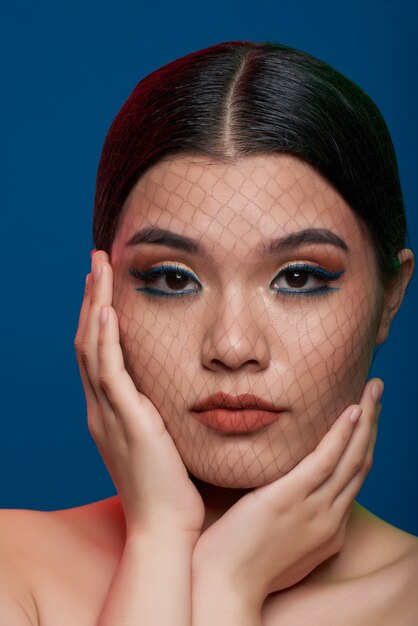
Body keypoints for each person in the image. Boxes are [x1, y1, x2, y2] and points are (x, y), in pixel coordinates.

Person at [0, 40, 416, 626]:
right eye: (173, 279)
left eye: (298, 277)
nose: (233, 347)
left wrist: (226, 582)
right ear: (103, 293)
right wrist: (162, 539)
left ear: (389, 296)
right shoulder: (11, 568)